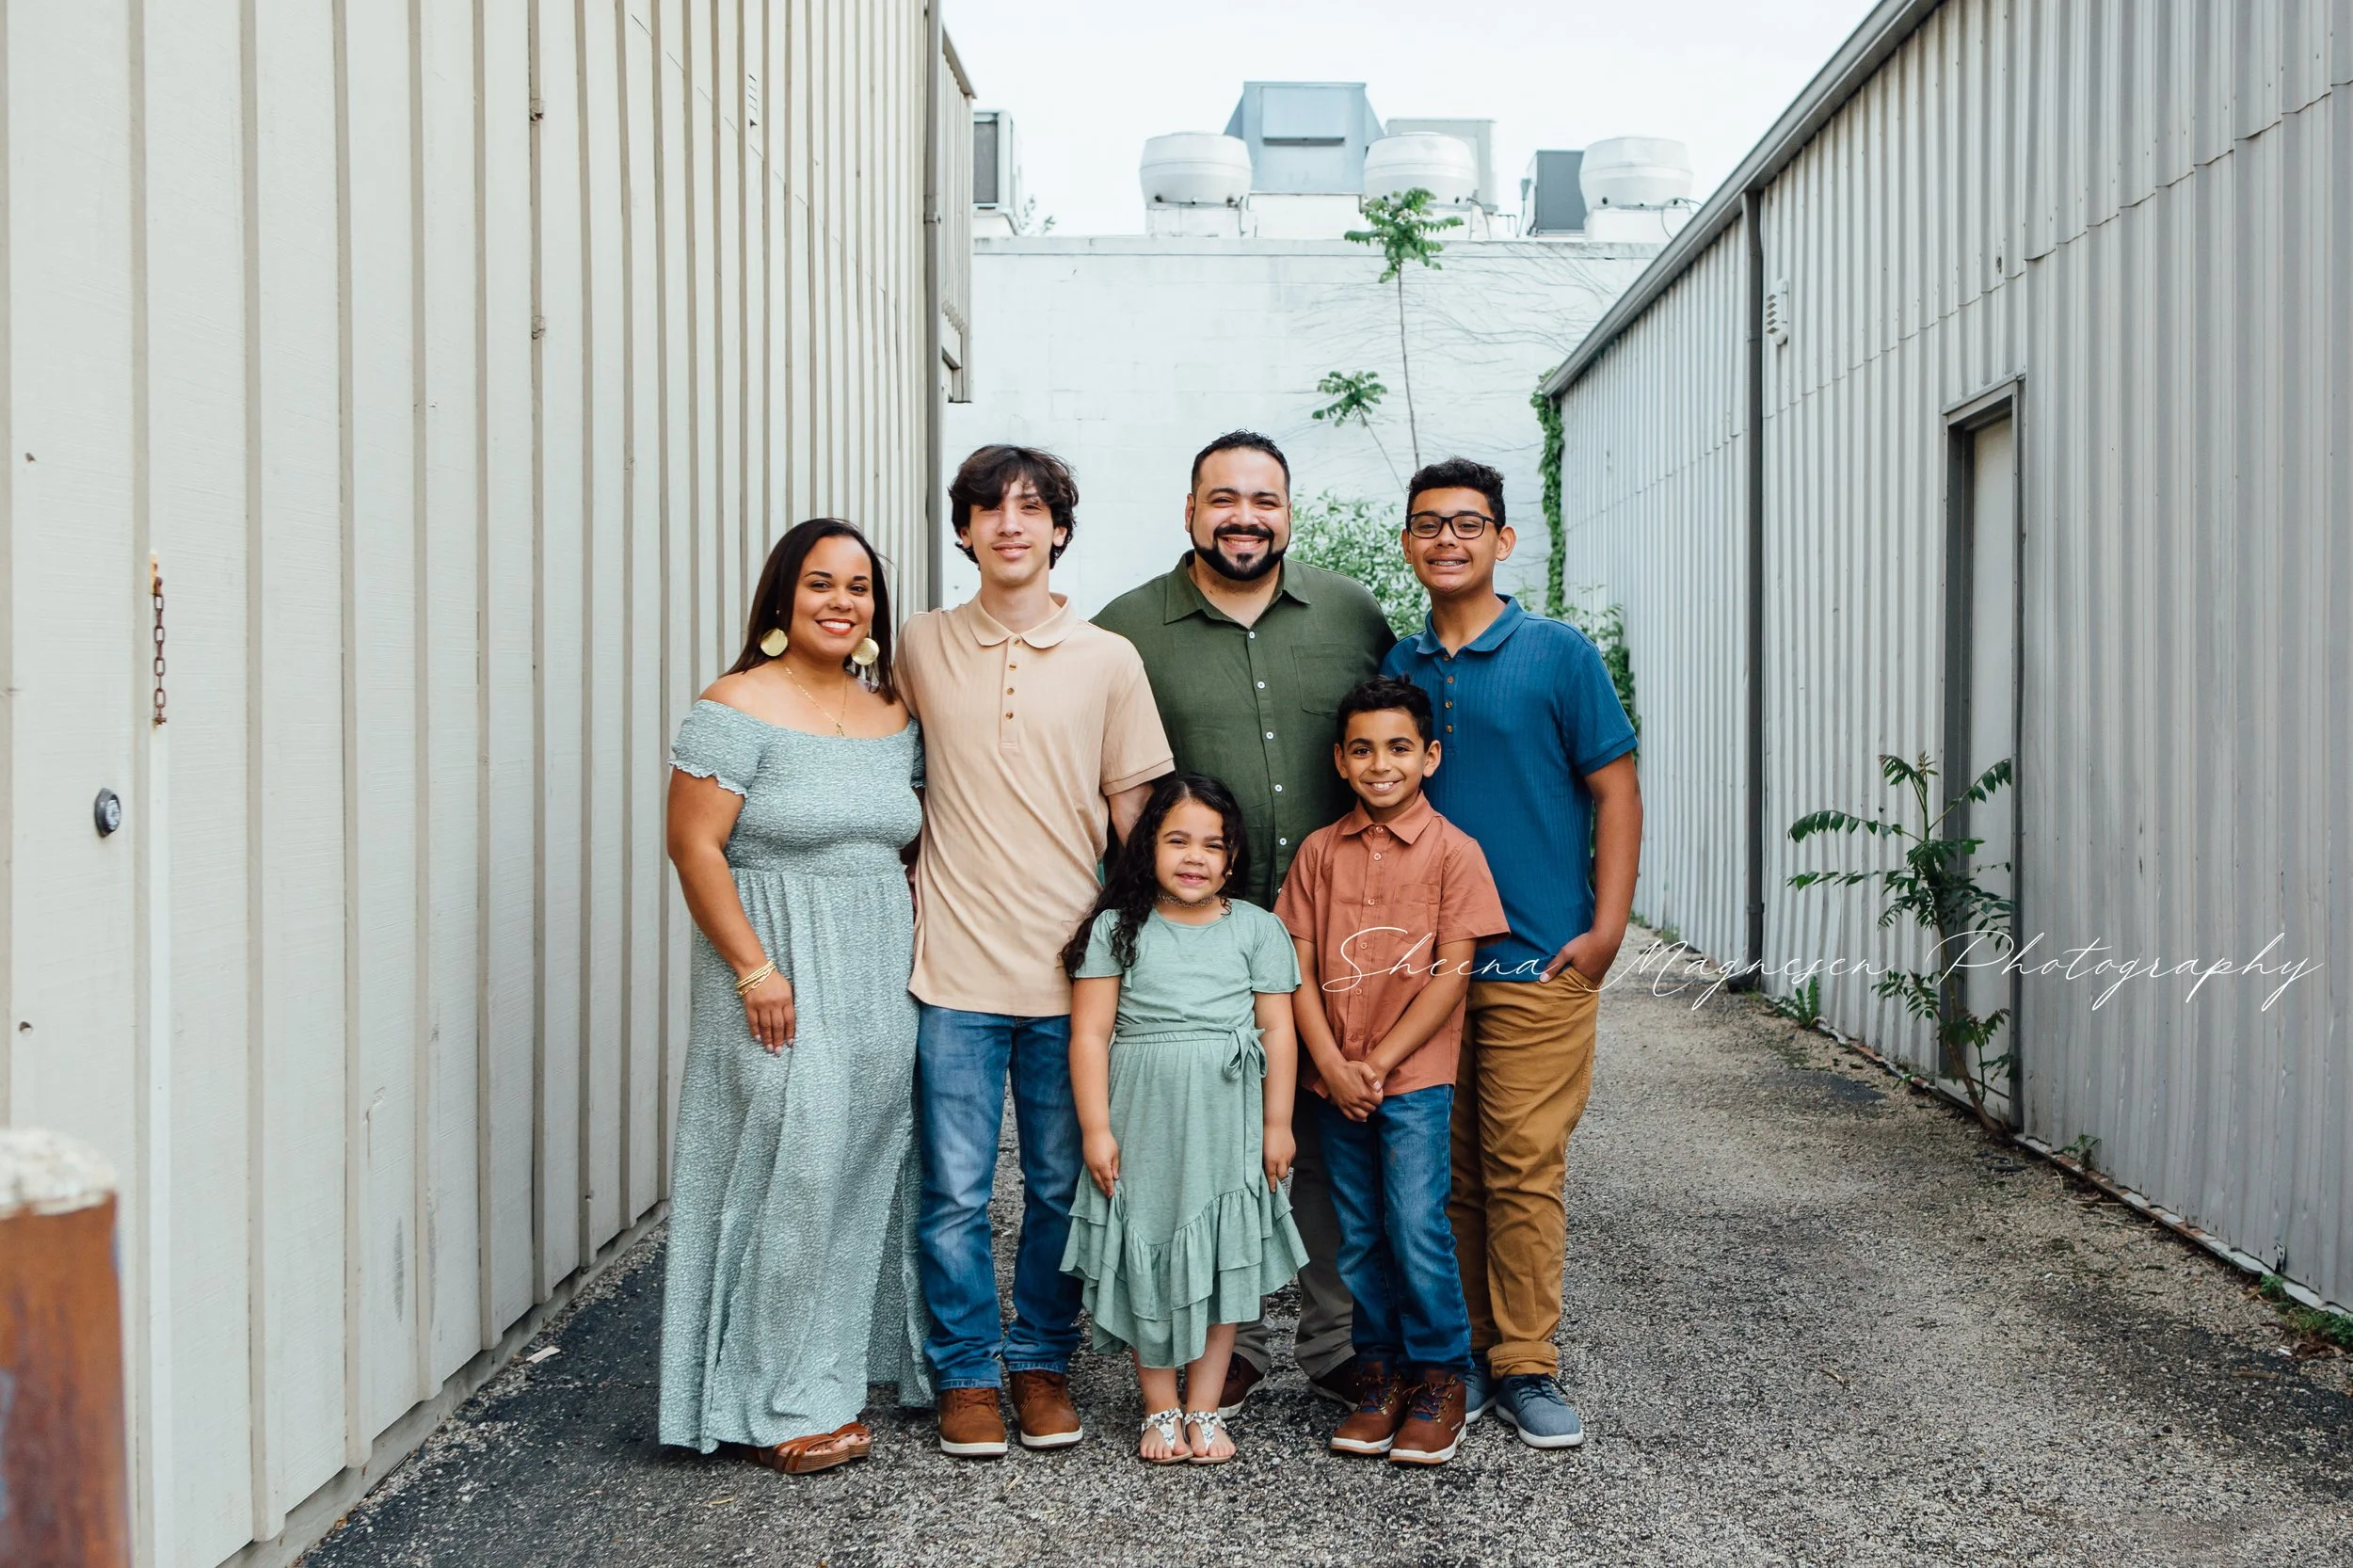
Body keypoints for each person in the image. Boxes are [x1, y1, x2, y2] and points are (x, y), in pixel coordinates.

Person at [1093, 430, 1393, 1417]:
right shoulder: (1127, 629)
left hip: (1331, 931)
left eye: (1263, 499)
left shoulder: (1350, 613)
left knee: (1313, 1135)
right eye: (1222, 498)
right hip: (1192, 934)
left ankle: (1332, 1338)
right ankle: (1215, 1334)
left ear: (1288, 512)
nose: (1243, 517)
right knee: (1198, 1143)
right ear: (1188, 510)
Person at [897, 444, 1175, 1459]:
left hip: (1070, 981)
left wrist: (1130, 954)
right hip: (953, 972)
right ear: (964, 528)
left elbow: (1133, 815)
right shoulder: (919, 644)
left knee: (1062, 1186)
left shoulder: (1109, 659)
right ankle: (967, 1374)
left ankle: (1041, 1360)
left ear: (1059, 529)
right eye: (987, 507)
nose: (1009, 523)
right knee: (955, 1193)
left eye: (1030, 508)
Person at [658, 519, 930, 1475]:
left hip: (876, 973)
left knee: (860, 1172)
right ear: (782, 596)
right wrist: (753, 968)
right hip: (774, 967)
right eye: (820, 583)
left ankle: (825, 1378)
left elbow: (906, 842)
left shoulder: (894, 715)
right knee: (793, 1171)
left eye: (858, 587)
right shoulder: (734, 705)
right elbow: (693, 846)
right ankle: (764, 1400)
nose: (840, 601)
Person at [1382, 456, 1642, 1450]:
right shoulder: (1397, 667)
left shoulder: (1557, 654)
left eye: (1467, 522)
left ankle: (1528, 1363)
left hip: (1537, 958)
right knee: (1445, 1174)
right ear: (1407, 542)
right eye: (1426, 524)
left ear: (1502, 539)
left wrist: (1605, 929)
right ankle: (1465, 1354)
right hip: (1420, 974)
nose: (1446, 539)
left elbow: (1616, 791)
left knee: (1523, 1163)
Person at [1274, 677, 1509, 1466]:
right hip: (1333, 1078)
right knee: (1360, 1233)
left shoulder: (1454, 852)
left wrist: (1376, 1062)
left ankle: (1441, 1375)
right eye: (1364, 749)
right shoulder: (1317, 853)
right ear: (1340, 761)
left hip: (1409, 1077)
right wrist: (1334, 1065)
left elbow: (1452, 975)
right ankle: (1378, 1377)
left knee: (1414, 1223)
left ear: (1429, 756)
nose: (1382, 764)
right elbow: (1295, 967)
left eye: (1400, 748)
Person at [1058, 773, 1309, 1464]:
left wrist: (1278, 1124)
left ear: (1232, 858)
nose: (1195, 857)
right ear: (1148, 848)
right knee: (1150, 1253)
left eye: (1213, 845)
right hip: (1144, 1116)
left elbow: (1279, 1033)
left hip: (1230, 1117)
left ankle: (1204, 1407)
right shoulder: (1118, 928)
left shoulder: (1259, 929)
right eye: (1177, 841)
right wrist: (1096, 1128)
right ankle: (1160, 1409)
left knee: (1224, 1261)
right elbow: (1088, 1035)